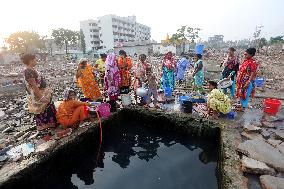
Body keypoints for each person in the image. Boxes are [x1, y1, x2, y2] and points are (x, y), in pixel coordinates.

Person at [22, 54, 57, 131]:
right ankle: (44, 125)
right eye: (35, 59)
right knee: (42, 108)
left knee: (48, 106)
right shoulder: (28, 71)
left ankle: (49, 123)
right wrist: (41, 97)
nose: (36, 60)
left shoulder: (31, 70)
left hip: (42, 92)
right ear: (30, 60)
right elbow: (34, 86)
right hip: (39, 94)